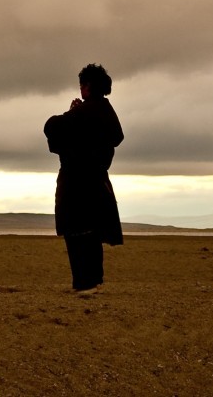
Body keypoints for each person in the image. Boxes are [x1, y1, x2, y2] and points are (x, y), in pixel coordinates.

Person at [44, 64, 124, 294]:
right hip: (97, 179)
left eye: (82, 84)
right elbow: (116, 137)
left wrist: (72, 113)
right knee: (93, 230)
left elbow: (52, 127)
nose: (80, 88)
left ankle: (84, 283)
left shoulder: (85, 113)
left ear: (88, 86)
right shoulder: (106, 112)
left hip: (77, 180)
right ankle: (94, 280)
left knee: (77, 230)